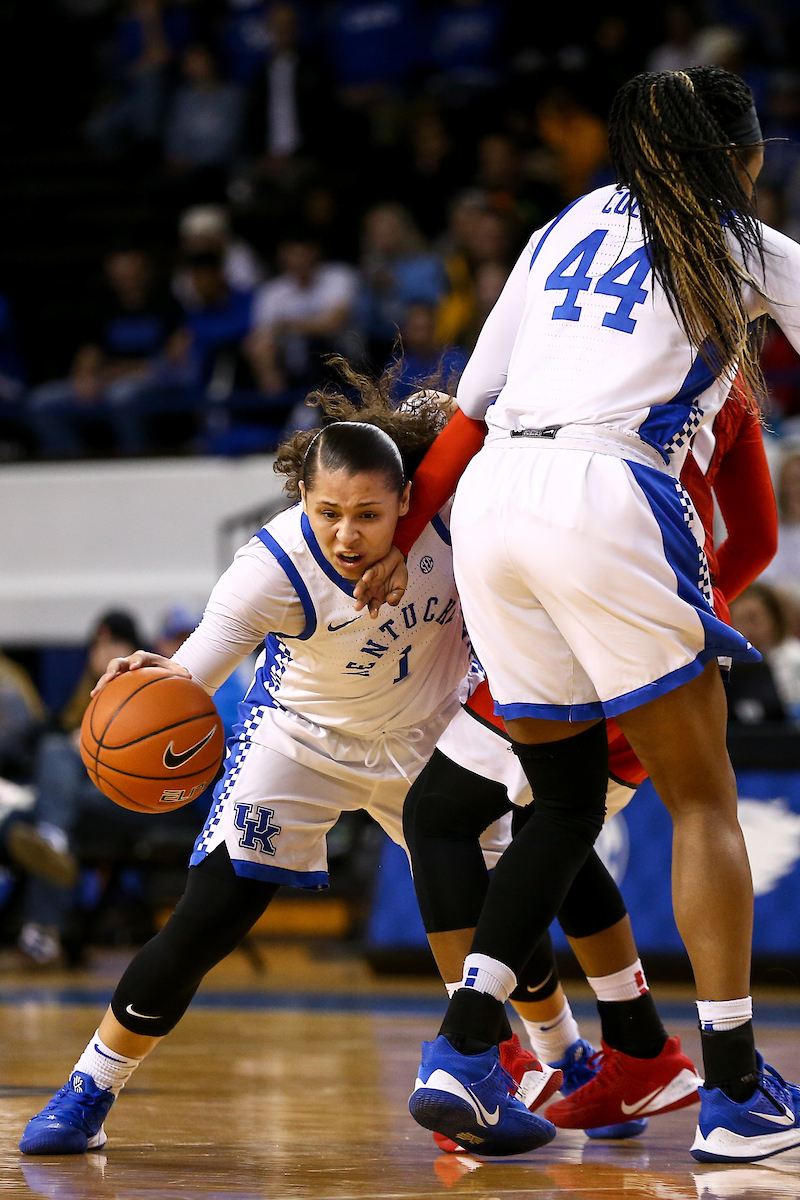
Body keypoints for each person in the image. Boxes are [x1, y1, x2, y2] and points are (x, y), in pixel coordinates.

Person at [402, 66, 800, 1163]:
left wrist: (397, 546)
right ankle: (731, 1092)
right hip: (610, 493)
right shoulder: (744, 244)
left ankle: (463, 1050)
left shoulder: (563, 223)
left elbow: (466, 411)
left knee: (563, 798)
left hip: (492, 504)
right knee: (702, 800)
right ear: (745, 160)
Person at [18, 380, 556, 1157]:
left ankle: (546, 1065)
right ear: (302, 494)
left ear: (408, 500)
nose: (345, 534)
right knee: (208, 918)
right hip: (301, 743)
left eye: (368, 515)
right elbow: (197, 669)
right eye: (327, 511)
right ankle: (88, 1091)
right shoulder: (271, 564)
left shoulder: (454, 517)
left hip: (427, 740)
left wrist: (454, 412)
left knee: (504, 912)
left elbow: (489, 427)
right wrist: (156, 684)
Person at [384, 374, 776, 1152]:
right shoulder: (721, 385)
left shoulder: (590, 353)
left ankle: (483, 1049)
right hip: (628, 614)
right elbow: (756, 542)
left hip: (593, 613)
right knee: (543, 816)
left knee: (459, 815)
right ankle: (635, 1049)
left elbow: (470, 419)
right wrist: (694, 607)